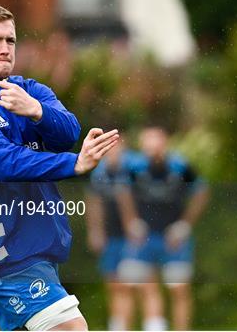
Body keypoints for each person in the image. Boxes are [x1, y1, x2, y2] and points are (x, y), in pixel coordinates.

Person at [0, 4, 119, 331]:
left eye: (10, 40)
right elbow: (2, 163)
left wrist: (36, 111)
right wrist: (74, 163)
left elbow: (68, 133)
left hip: (32, 244)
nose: (4, 49)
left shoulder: (31, 91)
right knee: (72, 328)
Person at [117, 125, 210, 330]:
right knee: (135, 285)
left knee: (179, 289)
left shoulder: (180, 166)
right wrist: (131, 223)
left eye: (155, 143)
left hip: (174, 237)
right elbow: (123, 194)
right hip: (144, 236)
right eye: (147, 144)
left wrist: (184, 225)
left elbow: (202, 192)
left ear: (165, 143)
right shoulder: (134, 168)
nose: (152, 149)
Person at [85, 140, 135, 330]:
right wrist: (95, 232)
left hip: (132, 238)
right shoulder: (99, 174)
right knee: (113, 285)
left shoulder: (134, 169)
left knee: (130, 285)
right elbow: (93, 204)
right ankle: (118, 325)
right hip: (110, 237)